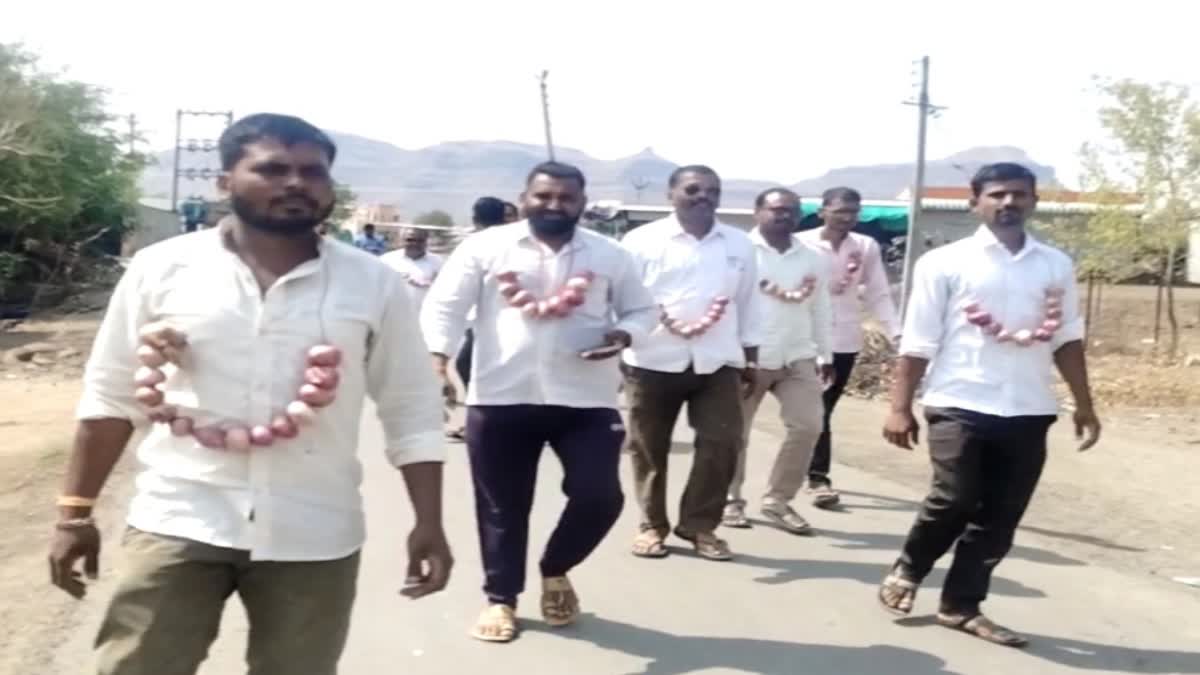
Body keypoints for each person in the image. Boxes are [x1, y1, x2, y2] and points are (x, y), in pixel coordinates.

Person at [48, 113, 454, 675]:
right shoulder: (161, 268)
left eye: (312, 172)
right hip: (179, 517)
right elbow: (110, 395)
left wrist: (428, 522)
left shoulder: (373, 282)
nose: (295, 183)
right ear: (224, 182)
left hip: (314, 532)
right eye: (272, 169)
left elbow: (411, 408)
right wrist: (74, 514)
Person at [420, 161, 657, 642]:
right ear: (525, 198)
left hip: (587, 398)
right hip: (500, 396)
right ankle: (501, 599)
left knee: (600, 496)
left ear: (582, 204)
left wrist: (624, 333)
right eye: (543, 196)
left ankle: (556, 566)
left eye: (566, 198)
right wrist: (437, 361)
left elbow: (643, 309)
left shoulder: (610, 255)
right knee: (502, 508)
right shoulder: (486, 247)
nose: (554, 205)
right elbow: (445, 305)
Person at [878, 162, 1101, 648]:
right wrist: (899, 406)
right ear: (974, 202)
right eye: (997, 194)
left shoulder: (1054, 264)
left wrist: (1084, 403)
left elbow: (1066, 337)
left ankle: (961, 606)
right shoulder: (944, 263)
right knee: (955, 497)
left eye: (1019, 194)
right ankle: (910, 567)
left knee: (1001, 514)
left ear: (1034, 201)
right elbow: (917, 342)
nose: (1009, 203)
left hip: (1028, 405)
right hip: (958, 400)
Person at [620, 165, 763, 562]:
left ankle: (699, 526)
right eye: (693, 189)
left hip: (719, 361)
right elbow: (625, 301)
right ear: (671, 194)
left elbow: (749, 302)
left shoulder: (738, 244)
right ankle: (652, 524)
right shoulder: (641, 241)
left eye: (712, 190)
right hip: (652, 359)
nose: (703, 196)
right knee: (648, 447)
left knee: (723, 443)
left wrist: (751, 358)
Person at [723, 188, 833, 535]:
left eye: (792, 211)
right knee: (735, 434)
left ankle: (778, 500)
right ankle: (730, 499)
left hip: (797, 354)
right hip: (750, 357)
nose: (784, 215)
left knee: (808, 425)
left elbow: (820, 307)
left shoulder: (812, 256)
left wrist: (825, 354)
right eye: (776, 209)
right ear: (757, 212)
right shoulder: (738, 252)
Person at [796, 187, 900, 508]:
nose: (847, 217)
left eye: (853, 212)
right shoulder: (802, 244)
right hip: (805, 339)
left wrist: (896, 334)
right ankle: (817, 477)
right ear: (823, 210)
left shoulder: (865, 246)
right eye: (840, 210)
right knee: (814, 409)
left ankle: (807, 470)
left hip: (844, 341)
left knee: (823, 408)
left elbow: (878, 292)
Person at [444, 196, 510, 442]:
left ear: (474, 218)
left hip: (484, 321)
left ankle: (484, 421)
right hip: (493, 319)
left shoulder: (474, 244)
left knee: (469, 367)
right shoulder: (511, 240)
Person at [381, 227, 444, 311]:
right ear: (402, 241)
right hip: (392, 313)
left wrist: (430, 285)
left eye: (420, 240)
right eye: (410, 240)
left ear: (426, 242)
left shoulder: (438, 262)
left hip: (423, 313)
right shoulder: (387, 260)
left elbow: (446, 289)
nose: (414, 243)